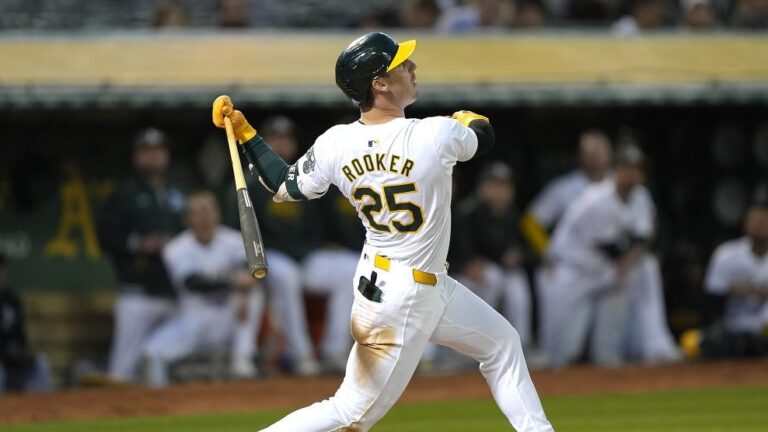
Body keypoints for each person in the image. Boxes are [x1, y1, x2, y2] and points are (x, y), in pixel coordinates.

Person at [212, 32, 552, 431]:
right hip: (406, 297)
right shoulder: (435, 134)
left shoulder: (336, 142)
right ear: (380, 83)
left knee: (501, 343)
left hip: (403, 281)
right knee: (349, 412)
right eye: (401, 65)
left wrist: (247, 134)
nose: (412, 68)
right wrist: (468, 118)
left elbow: (282, 184)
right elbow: (484, 135)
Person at [223, 115, 321, 376]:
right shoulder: (251, 180)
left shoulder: (304, 177)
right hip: (264, 257)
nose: (282, 144)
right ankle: (301, 355)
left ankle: (339, 350)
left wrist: (309, 251)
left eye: (286, 138)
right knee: (287, 276)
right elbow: (236, 231)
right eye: (275, 138)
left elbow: (317, 226)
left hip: (302, 257)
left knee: (348, 270)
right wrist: (244, 263)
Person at [544, 144, 652, 367]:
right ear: (615, 170)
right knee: (566, 349)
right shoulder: (598, 199)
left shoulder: (641, 196)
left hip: (606, 271)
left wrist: (629, 262)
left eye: (636, 168)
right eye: (626, 168)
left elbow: (643, 237)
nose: (632, 173)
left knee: (608, 351)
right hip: (573, 269)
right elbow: (612, 248)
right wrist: (626, 260)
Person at [143, 191, 265, 387]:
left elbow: (249, 272)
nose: (205, 217)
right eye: (199, 212)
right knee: (152, 352)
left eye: (209, 211)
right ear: (188, 218)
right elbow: (194, 282)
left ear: (218, 214)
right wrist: (233, 282)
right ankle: (160, 402)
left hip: (228, 318)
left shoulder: (234, 239)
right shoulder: (176, 248)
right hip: (193, 321)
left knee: (254, 294)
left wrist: (243, 290)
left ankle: (242, 360)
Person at [98, 128, 186, 382]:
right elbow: (106, 238)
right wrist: (139, 244)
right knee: (124, 367)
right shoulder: (123, 194)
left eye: (158, 150)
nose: (154, 157)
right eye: (147, 151)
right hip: (137, 291)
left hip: (174, 291)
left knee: (164, 366)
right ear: (137, 157)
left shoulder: (178, 193)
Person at [452, 161, 534, 348]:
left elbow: (514, 249)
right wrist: (466, 265)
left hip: (489, 273)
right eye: (495, 185)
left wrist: (515, 255)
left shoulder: (509, 214)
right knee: (492, 278)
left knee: (516, 283)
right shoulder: (467, 212)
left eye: (505, 186)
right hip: (457, 276)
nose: (500, 192)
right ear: (482, 187)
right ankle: (476, 346)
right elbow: (459, 254)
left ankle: (522, 345)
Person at [680, 197, 768, 359]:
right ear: (745, 222)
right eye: (755, 220)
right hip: (733, 329)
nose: (760, 226)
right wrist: (728, 291)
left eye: (764, 221)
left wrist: (751, 291)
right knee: (691, 342)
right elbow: (710, 305)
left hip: (764, 328)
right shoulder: (727, 254)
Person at [302, 186, 365, 373]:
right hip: (314, 257)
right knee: (351, 273)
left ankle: (378, 352)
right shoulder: (322, 187)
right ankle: (329, 351)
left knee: (354, 274)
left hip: (348, 257)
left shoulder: (367, 186)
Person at [0, 253, 51, 393]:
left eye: (2, 270)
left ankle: (41, 408)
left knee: (41, 362)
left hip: (12, 353)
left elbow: (20, 331)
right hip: (2, 356)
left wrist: (22, 348)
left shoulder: (11, 299)